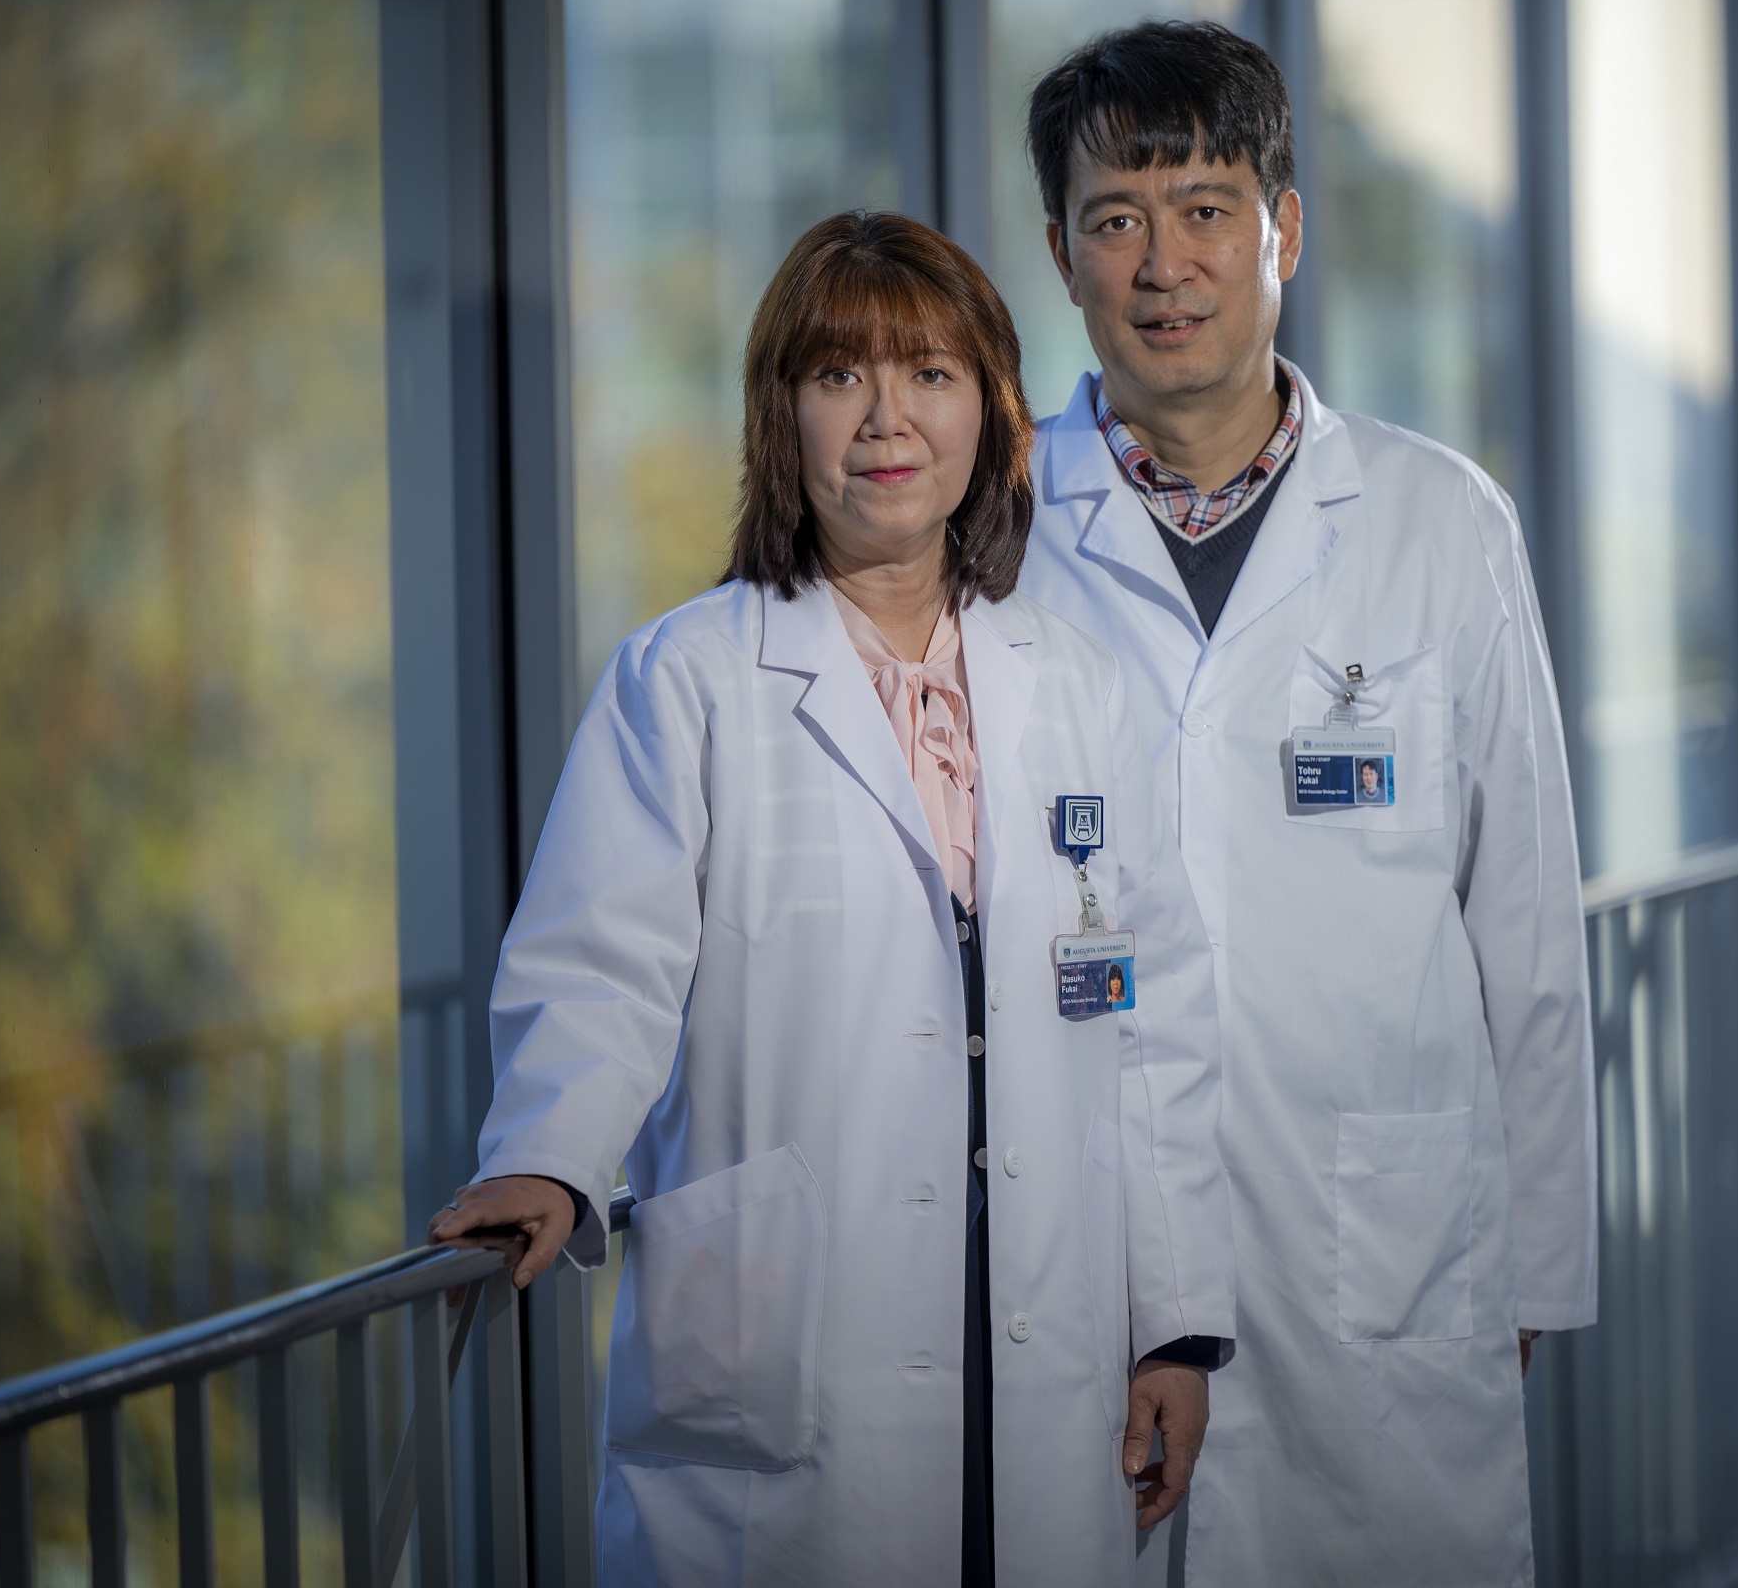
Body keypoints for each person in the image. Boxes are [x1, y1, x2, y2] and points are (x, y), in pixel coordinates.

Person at [429, 211, 1234, 1588]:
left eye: (928, 374)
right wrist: (548, 1153)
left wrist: (1173, 1324)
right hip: (799, 1335)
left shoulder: (1075, 685)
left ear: (988, 409)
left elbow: (1150, 1029)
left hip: (1043, 1313)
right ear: (781, 415)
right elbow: (602, 963)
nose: (885, 419)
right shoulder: (683, 680)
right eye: (838, 376)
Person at [1014, 21, 1596, 1586]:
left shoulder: (1439, 521)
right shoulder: (999, 534)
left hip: (1389, 1253)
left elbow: (1526, 916)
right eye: (1115, 218)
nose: (1164, 263)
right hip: (1101, 1265)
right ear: (1062, 258)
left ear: (1286, 225)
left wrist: (1532, 1269)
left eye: (1206, 208)